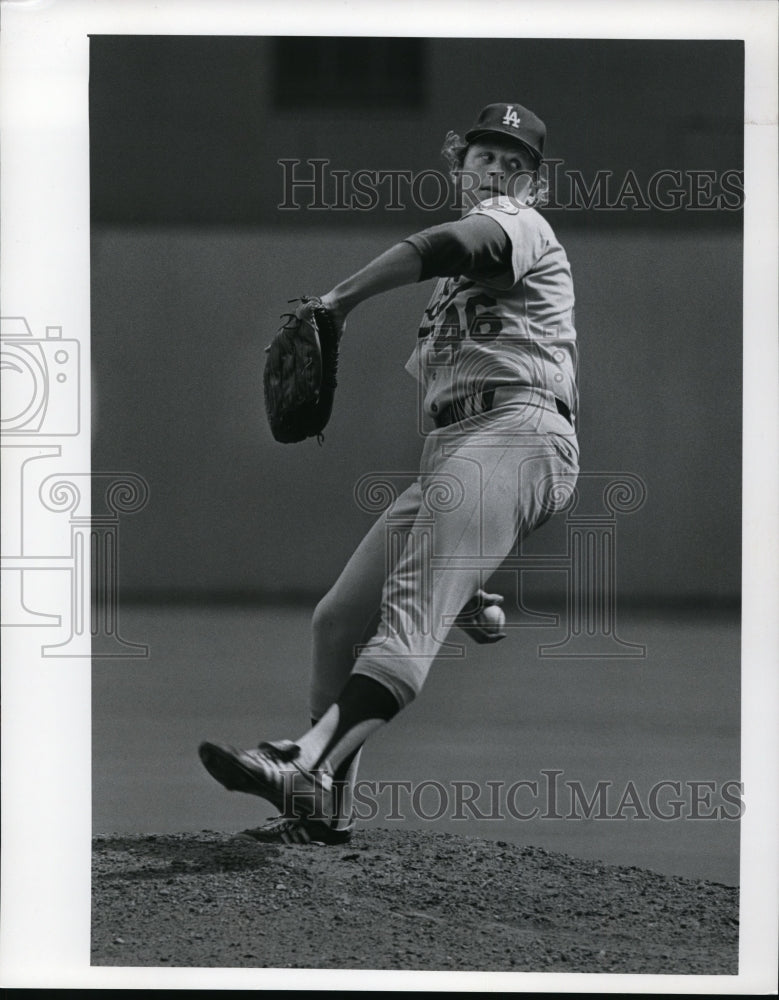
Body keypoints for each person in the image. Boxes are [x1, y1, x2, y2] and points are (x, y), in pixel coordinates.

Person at [199, 102, 580, 845]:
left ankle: (303, 764)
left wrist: (339, 300)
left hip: (519, 428)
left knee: (406, 609)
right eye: (484, 156)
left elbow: (450, 243)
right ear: (456, 159)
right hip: (462, 446)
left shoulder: (521, 227)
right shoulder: (446, 304)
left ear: (532, 184)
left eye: (514, 163)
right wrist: (462, 572)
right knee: (339, 618)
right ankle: (323, 810)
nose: (497, 171)